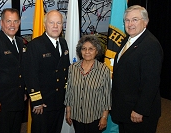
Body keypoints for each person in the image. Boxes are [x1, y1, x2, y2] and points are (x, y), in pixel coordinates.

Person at [111, 5, 163, 133]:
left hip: (138, 113)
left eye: (135, 19)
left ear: (145, 22)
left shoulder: (150, 45)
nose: (130, 24)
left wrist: (140, 110)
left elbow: (150, 82)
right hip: (125, 109)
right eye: (127, 20)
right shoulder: (129, 39)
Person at [25, 10, 70, 133]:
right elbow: (30, 74)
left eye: (59, 23)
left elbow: (65, 71)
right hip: (43, 103)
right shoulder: (35, 45)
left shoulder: (63, 43)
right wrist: (37, 101)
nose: (55, 26)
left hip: (59, 101)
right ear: (45, 25)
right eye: (51, 23)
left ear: (62, 25)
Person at [0, 8, 26, 133]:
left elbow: (20, 69)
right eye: (9, 21)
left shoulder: (19, 41)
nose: (12, 25)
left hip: (17, 101)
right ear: (1, 23)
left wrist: (23, 91)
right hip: (1, 103)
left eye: (15, 21)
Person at [64, 35, 111, 133]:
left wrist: (104, 117)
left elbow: (106, 97)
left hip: (95, 118)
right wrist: (68, 112)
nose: (87, 52)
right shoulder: (73, 68)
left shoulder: (104, 70)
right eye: (84, 49)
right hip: (76, 116)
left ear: (97, 51)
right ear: (80, 51)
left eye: (91, 49)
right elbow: (69, 92)